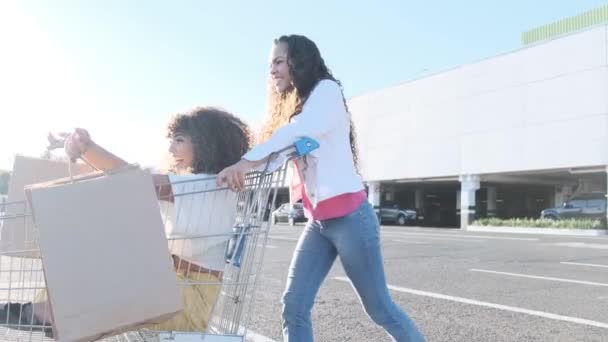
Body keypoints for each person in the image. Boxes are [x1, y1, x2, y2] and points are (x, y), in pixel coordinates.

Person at [216, 35, 425, 341]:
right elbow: (283, 153)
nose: (272, 70)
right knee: (293, 306)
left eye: (278, 61)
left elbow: (298, 133)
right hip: (320, 222)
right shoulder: (305, 108)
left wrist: (245, 163)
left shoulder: (326, 92)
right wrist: (241, 173)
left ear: (298, 61)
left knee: (379, 308)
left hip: (351, 219)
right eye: (270, 64)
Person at [0, 107, 251, 336]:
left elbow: (135, 181)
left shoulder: (211, 186)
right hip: (171, 284)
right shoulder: (194, 185)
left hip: (190, 298)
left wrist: (87, 148)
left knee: (82, 305)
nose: (171, 149)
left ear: (207, 143)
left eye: (180, 140)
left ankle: (40, 314)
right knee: (75, 287)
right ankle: (45, 313)